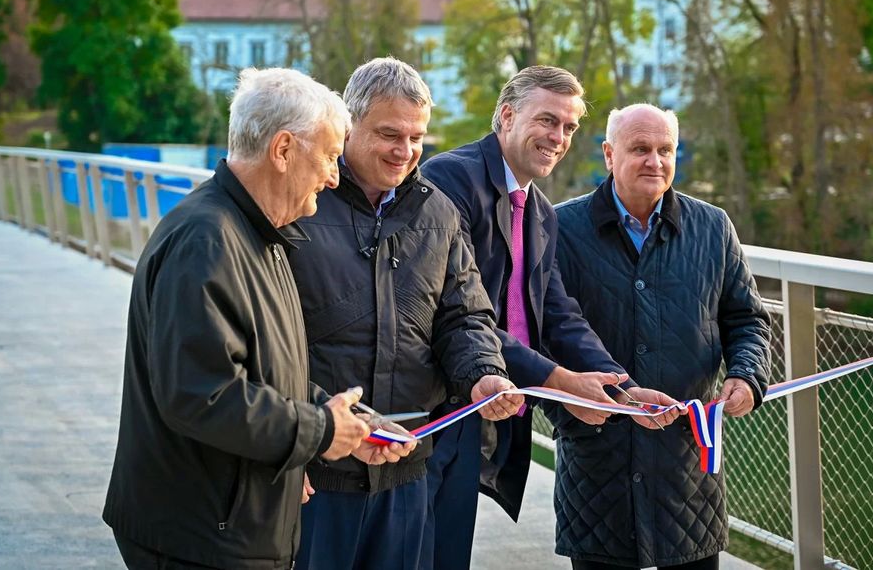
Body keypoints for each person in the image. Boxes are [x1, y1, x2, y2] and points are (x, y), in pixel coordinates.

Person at [103, 68, 405, 570]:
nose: (334, 176)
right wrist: (319, 431)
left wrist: (344, 423)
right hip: (198, 536)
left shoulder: (261, 236)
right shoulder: (207, 241)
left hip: (228, 526)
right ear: (283, 150)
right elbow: (204, 396)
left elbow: (264, 371)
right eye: (329, 156)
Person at [419, 66, 679, 570]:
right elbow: (450, 311)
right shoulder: (451, 179)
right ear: (508, 116)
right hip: (433, 409)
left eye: (569, 126)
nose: (558, 137)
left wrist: (622, 388)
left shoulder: (539, 210)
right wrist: (558, 381)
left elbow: (558, 315)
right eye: (547, 120)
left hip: (483, 412)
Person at [287, 57, 523, 570]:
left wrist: (484, 374)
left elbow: (464, 315)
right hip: (316, 469)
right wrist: (289, 451)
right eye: (390, 134)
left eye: (418, 137)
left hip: (406, 467)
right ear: (348, 125)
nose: (406, 151)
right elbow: (269, 340)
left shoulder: (437, 210)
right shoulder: (299, 202)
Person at [550, 104, 772, 569]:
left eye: (664, 149)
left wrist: (748, 376)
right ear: (609, 155)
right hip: (598, 467)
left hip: (686, 468)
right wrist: (574, 411)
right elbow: (540, 336)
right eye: (640, 149)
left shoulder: (712, 228)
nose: (654, 161)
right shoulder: (559, 229)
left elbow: (747, 319)